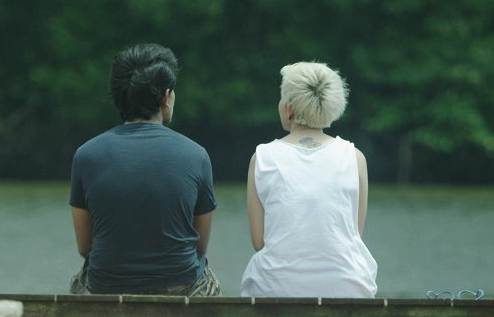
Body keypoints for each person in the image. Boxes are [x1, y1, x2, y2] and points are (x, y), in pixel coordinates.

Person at [68, 43, 220, 296]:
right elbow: (199, 246)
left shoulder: (86, 155)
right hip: (181, 288)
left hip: (106, 288)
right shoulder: (196, 155)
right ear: (165, 97)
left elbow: (86, 246)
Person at [240, 62, 377, 298]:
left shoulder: (262, 157)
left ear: (289, 109)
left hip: (276, 289)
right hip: (348, 288)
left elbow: (259, 242)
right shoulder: (355, 158)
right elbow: (352, 233)